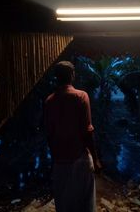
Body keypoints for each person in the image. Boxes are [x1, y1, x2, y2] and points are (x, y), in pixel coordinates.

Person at [44, 61, 102, 212]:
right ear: (72, 75)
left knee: (64, 204)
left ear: (57, 77)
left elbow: (49, 134)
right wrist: (95, 159)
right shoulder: (81, 96)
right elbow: (88, 131)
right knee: (85, 203)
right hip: (80, 159)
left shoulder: (49, 101)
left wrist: (55, 156)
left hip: (60, 161)